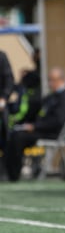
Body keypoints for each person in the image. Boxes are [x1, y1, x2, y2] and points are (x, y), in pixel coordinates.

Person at [4, 67, 65, 181]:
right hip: (39, 130)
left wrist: (35, 126)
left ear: (61, 80)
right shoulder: (50, 97)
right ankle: (8, 171)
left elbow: (58, 121)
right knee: (12, 134)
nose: (50, 83)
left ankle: (13, 175)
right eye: (49, 80)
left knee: (18, 138)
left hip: (51, 133)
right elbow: (37, 113)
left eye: (53, 80)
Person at [0, 50, 14, 178]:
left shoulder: (1, 57)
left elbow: (9, 80)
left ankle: (4, 171)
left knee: (4, 139)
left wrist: (3, 98)